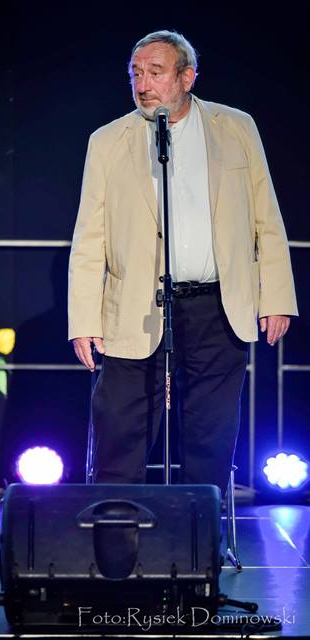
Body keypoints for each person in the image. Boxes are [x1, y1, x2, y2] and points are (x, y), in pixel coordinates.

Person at [68, 30, 298, 495]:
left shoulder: (236, 128)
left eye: (155, 73)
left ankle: (199, 538)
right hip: (135, 306)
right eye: (136, 74)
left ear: (187, 77)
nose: (143, 85)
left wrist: (277, 297)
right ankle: (118, 535)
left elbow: (266, 218)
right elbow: (90, 237)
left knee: (210, 437)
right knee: (120, 435)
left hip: (217, 307)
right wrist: (84, 320)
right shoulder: (107, 141)